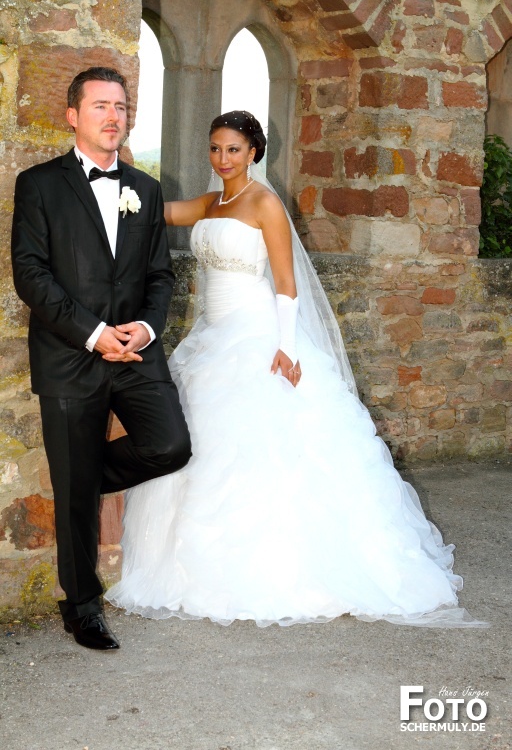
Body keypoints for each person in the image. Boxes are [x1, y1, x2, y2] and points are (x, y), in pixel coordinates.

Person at [106, 110, 484, 628]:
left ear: (253, 153)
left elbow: (286, 283)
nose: (222, 158)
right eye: (215, 148)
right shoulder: (212, 202)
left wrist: (287, 346)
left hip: (259, 334)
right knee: (201, 443)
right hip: (212, 337)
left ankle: (276, 568)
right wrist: (118, 185)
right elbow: (161, 212)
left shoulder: (264, 203)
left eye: (233, 149)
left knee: (263, 448)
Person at [11, 66, 192, 650]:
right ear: (73, 116)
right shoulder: (38, 185)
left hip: (136, 356)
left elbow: (160, 275)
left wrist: (145, 328)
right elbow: (30, 275)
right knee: (74, 484)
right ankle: (82, 606)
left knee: (170, 445)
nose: (113, 116)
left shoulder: (146, 188)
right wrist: (92, 334)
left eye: (121, 106)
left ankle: (80, 479)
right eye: (100, 106)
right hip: (70, 355)